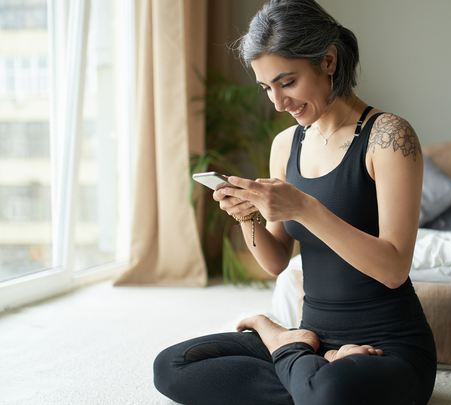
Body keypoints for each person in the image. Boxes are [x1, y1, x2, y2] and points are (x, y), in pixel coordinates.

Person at [153, 0, 436, 404]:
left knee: (331, 392)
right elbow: (275, 261)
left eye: (287, 82)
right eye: (267, 88)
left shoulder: (388, 136)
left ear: (328, 61)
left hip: (390, 348)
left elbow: (393, 268)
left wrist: (305, 208)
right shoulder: (285, 145)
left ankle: (283, 346)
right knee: (174, 365)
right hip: (315, 338)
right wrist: (248, 216)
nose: (277, 103)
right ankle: (305, 362)